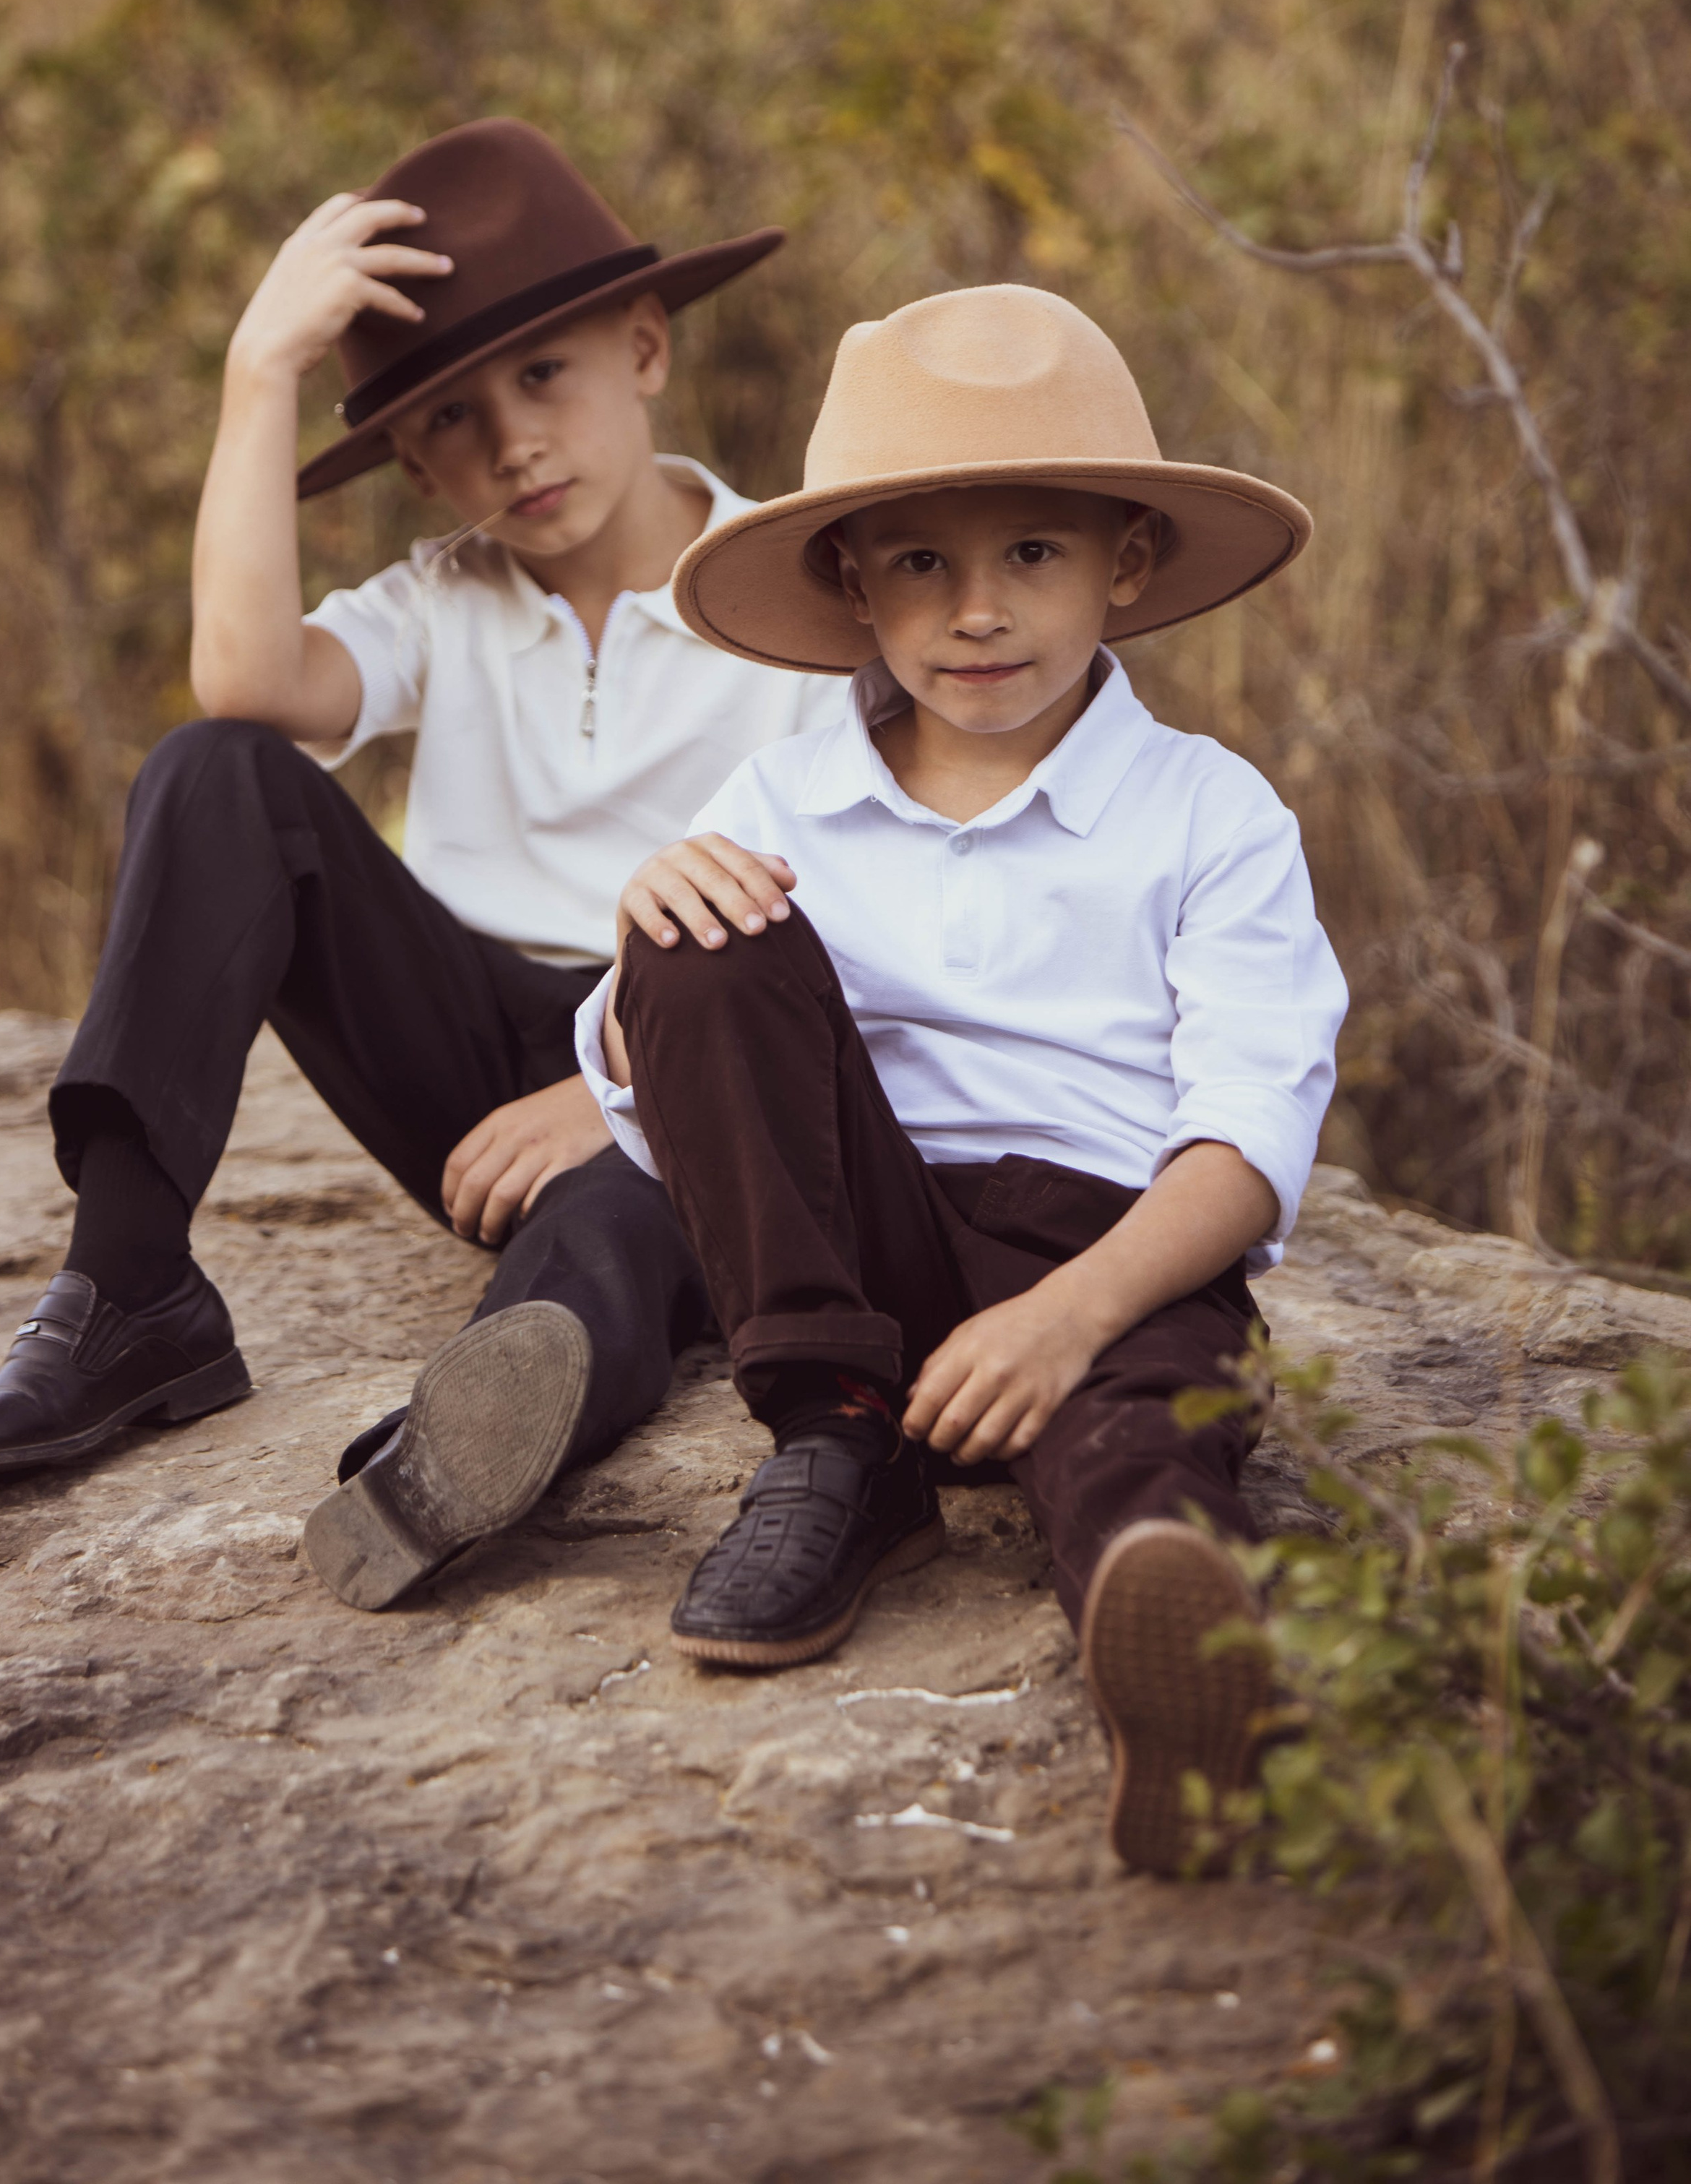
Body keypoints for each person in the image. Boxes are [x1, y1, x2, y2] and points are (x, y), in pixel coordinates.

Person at [0, 119, 843, 1615]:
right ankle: (131, 1291)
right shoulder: (441, 601)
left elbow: (857, 916)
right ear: (410, 460)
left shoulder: (790, 601)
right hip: (469, 1055)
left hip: (696, 1063)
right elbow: (243, 679)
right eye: (452, 421)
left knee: (616, 1217)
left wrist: (619, 1092)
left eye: (544, 378)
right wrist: (257, 374)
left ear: (646, 349)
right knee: (213, 770)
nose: (511, 443)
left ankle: (460, 1450)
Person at [577, 283, 1348, 1873]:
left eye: (1030, 555)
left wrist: (1065, 1317)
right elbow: (653, 1091)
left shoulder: (1209, 813)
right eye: (920, 560)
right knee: (697, 926)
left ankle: (1191, 1678)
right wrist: (646, 941)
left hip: (1108, 1256)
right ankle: (834, 1442)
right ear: (853, 582)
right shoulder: (784, 793)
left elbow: (1244, 1138)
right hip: (864, 1252)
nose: (974, 610)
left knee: (1135, 1433)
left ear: (1124, 565)